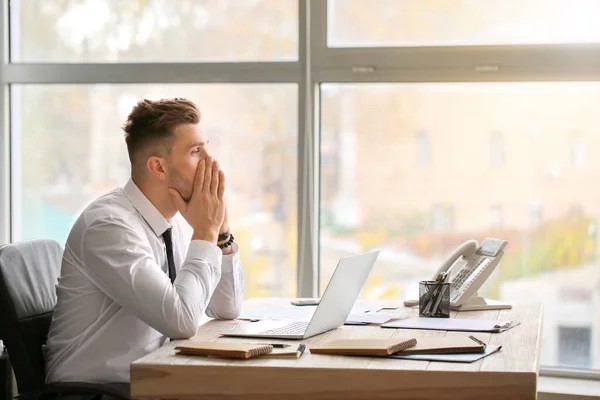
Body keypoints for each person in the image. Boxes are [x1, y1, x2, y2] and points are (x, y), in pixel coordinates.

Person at [44, 98, 244, 384]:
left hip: (152, 381)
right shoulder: (109, 227)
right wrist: (206, 231)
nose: (210, 163)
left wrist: (221, 234)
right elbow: (182, 321)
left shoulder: (176, 221)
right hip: (96, 392)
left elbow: (227, 308)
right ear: (159, 168)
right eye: (196, 152)